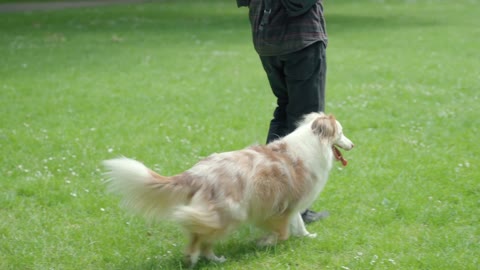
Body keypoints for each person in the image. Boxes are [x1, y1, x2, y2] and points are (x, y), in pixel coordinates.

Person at [236, 0, 330, 223]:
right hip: (299, 40)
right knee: (307, 123)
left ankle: (266, 194)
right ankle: (293, 208)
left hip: (267, 38)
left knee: (285, 110)